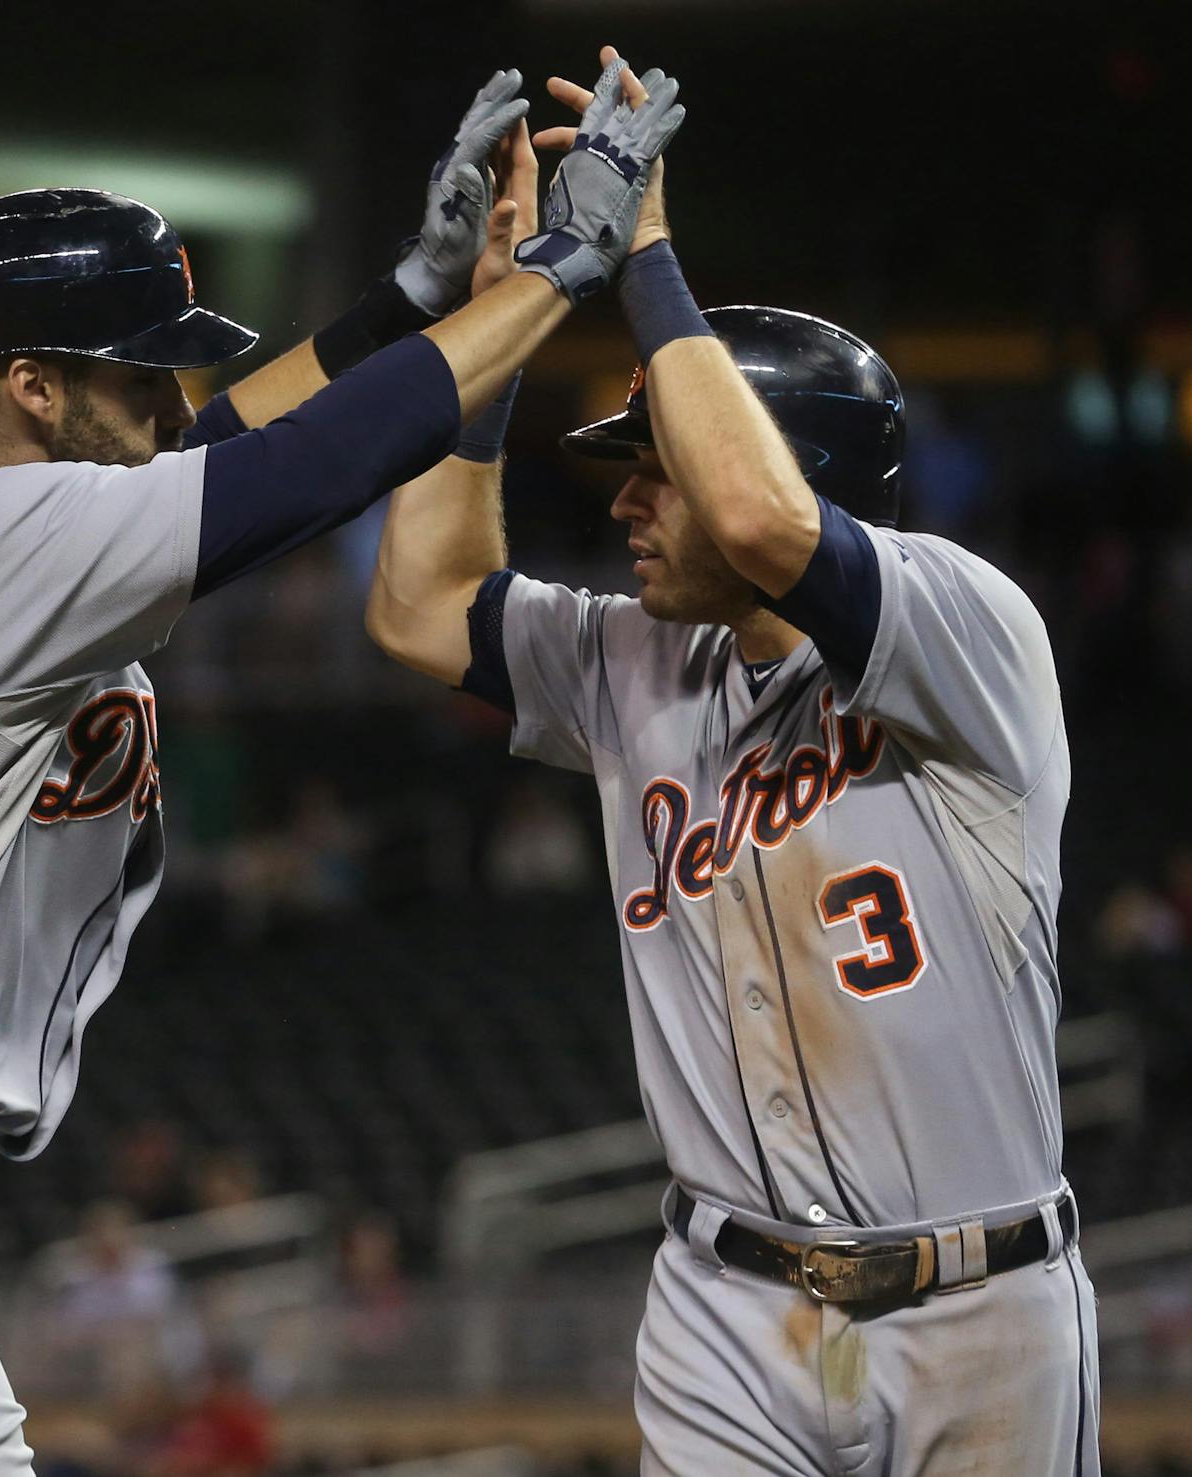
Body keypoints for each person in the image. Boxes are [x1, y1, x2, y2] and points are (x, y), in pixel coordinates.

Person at [0, 62, 683, 1477]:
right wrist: (558, 271)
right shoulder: (3, 549)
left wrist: (409, 302)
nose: (167, 392)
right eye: (136, 368)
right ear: (33, 385)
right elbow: (290, 476)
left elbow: (215, 448)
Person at [367, 46, 1095, 1475]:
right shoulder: (637, 656)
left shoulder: (968, 626)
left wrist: (644, 255)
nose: (629, 496)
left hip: (980, 1310)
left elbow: (765, 526)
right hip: (724, 1308)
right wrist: (493, 310)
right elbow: (415, 606)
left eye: (659, 460)